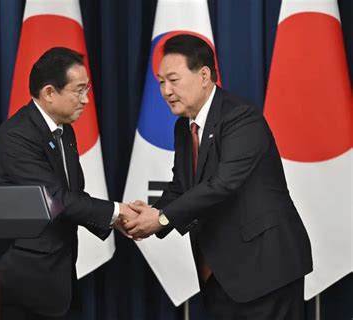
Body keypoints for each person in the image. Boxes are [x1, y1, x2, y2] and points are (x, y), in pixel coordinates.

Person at [125, 34, 313, 319]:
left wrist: (162, 219)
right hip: (220, 272)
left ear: (203, 76)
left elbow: (223, 184)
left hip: (266, 268)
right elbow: (181, 187)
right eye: (161, 82)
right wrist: (147, 216)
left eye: (173, 80)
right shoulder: (183, 129)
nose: (165, 91)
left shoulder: (240, 117)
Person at [0, 47, 135, 320]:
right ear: (49, 93)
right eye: (79, 91)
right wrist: (116, 212)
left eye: (87, 90)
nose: (86, 100)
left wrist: (115, 220)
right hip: (26, 280)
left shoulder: (62, 130)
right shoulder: (17, 136)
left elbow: (72, 194)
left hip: (58, 274)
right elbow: (57, 200)